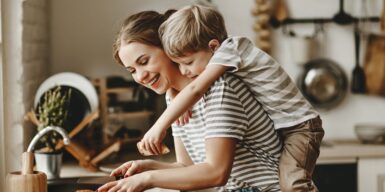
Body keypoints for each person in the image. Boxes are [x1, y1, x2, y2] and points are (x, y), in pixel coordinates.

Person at [139, 5, 324, 192]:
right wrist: (173, 93)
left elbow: (195, 89)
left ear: (213, 46)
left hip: (301, 127)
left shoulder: (230, 52)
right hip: (286, 126)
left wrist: (158, 127)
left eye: (187, 63)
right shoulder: (225, 55)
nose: (184, 71)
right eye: (178, 65)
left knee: (293, 183)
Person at [97, 10, 282, 192]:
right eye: (132, 70)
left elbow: (216, 173)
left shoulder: (220, 88)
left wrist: (148, 179)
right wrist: (148, 167)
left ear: (168, 48)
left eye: (144, 61)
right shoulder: (175, 99)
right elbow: (187, 166)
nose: (141, 76)